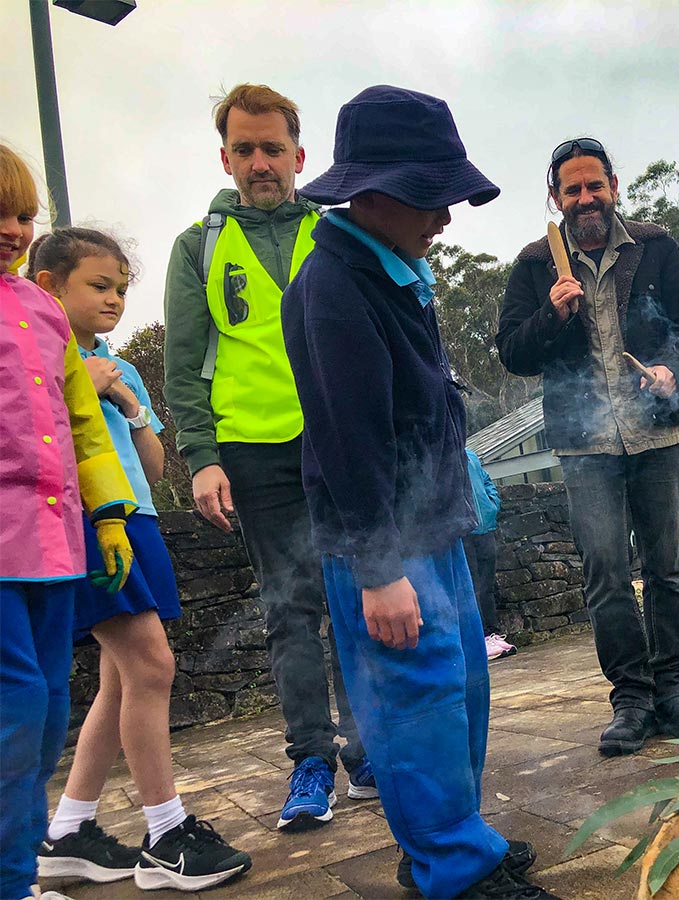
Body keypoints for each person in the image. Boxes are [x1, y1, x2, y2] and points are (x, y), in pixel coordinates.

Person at [281, 85, 557, 900]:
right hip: (383, 545)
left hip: (431, 529)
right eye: (432, 199)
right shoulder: (332, 289)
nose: (446, 217)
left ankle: (442, 842)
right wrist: (378, 569)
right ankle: (453, 870)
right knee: (414, 701)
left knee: (460, 687)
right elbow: (346, 439)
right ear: (374, 195)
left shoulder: (396, 270)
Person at [163, 83, 371, 831]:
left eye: (272, 148)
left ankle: (367, 750)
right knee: (291, 611)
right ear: (226, 156)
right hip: (254, 454)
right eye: (244, 149)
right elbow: (185, 366)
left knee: (357, 594)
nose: (259, 162)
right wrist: (202, 457)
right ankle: (311, 761)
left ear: (299, 155)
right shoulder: (199, 246)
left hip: (339, 443)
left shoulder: (338, 233)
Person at [30, 229, 251, 891]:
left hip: (141, 519)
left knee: (124, 679)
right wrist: (71, 383)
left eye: (122, 288)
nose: (115, 300)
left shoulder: (119, 369)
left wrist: (126, 403)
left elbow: (153, 466)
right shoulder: (36, 359)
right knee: (152, 663)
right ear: (49, 287)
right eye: (99, 286)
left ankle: (69, 831)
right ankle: (165, 835)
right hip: (92, 526)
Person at [497, 137, 679, 757]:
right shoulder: (535, 265)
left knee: (667, 570)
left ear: (614, 186)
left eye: (595, 185)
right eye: (572, 189)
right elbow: (512, 351)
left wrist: (676, 366)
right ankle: (631, 698)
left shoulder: (655, 246)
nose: (585, 198)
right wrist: (551, 315)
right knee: (606, 575)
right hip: (585, 444)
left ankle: (672, 689)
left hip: (656, 433)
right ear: (556, 197)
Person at [0, 144, 135, 900]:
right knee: (14, 709)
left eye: (22, 214)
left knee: (48, 713)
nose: (14, 228)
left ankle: (18, 876)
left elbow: (81, 423)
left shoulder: (41, 307)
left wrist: (109, 516)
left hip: (53, 547)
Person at [464, 448, 515, 661]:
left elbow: (486, 481)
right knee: (472, 585)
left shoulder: (471, 455)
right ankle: (481, 638)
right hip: (464, 531)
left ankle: (492, 634)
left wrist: (492, 505)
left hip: (485, 527)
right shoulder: (444, 455)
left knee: (487, 586)